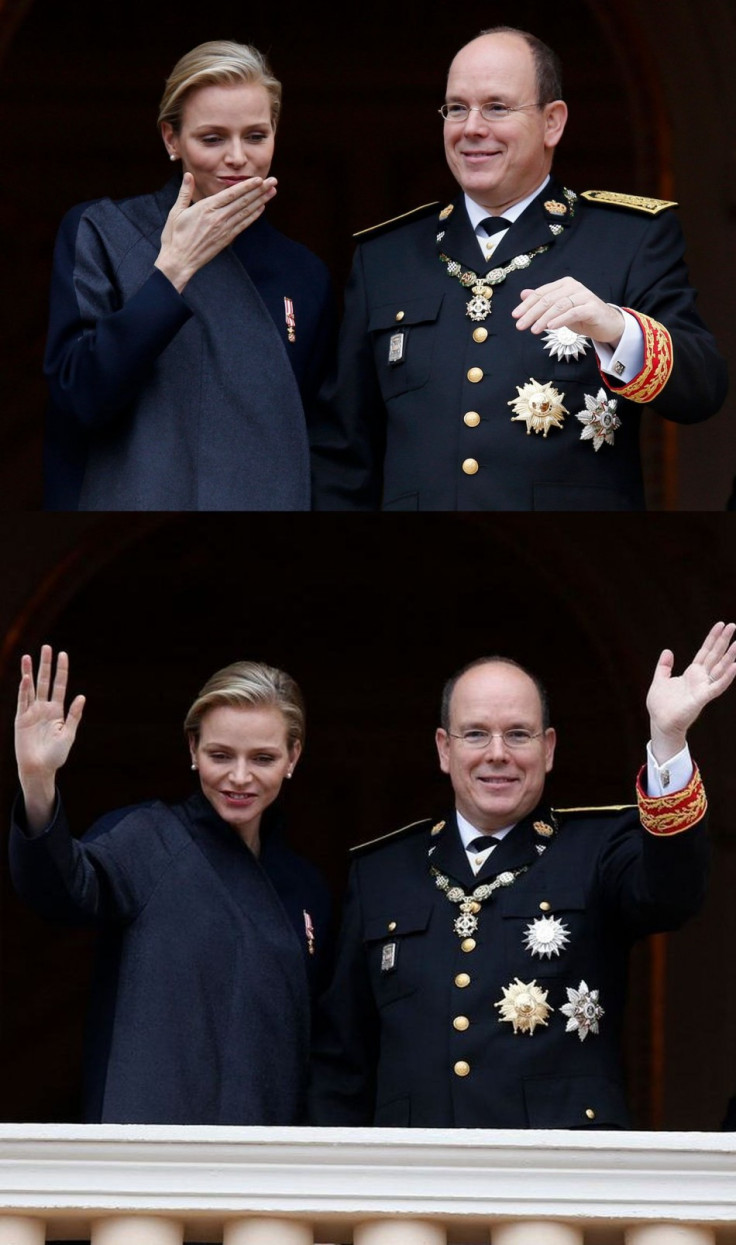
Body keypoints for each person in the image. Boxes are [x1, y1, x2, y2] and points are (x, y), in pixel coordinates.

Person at [309, 622, 736, 1129]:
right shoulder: (380, 873)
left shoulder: (599, 848)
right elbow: (342, 1063)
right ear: (445, 749)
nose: (497, 754)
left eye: (518, 734)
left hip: (564, 1178)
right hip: (415, 1182)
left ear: (548, 748)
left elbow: (674, 895)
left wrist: (668, 741)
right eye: (475, 734)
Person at [309, 26, 727, 511]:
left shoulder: (628, 239)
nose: (471, 128)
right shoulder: (385, 257)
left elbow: (703, 390)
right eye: (457, 108)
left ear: (553, 122)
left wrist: (617, 329)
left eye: (497, 107)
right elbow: (343, 455)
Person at [9, 647, 331, 1124]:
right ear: (192, 750)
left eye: (262, 757)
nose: (239, 777)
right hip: (149, 1157)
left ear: (293, 756)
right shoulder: (148, 840)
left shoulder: (305, 887)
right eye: (220, 755)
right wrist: (37, 780)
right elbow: (60, 891)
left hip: (269, 1163)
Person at [43, 40, 335, 511]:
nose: (237, 157)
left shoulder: (303, 273)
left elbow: (323, 444)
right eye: (213, 138)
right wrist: (172, 270)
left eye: (256, 136)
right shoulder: (103, 232)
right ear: (171, 139)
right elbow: (80, 400)